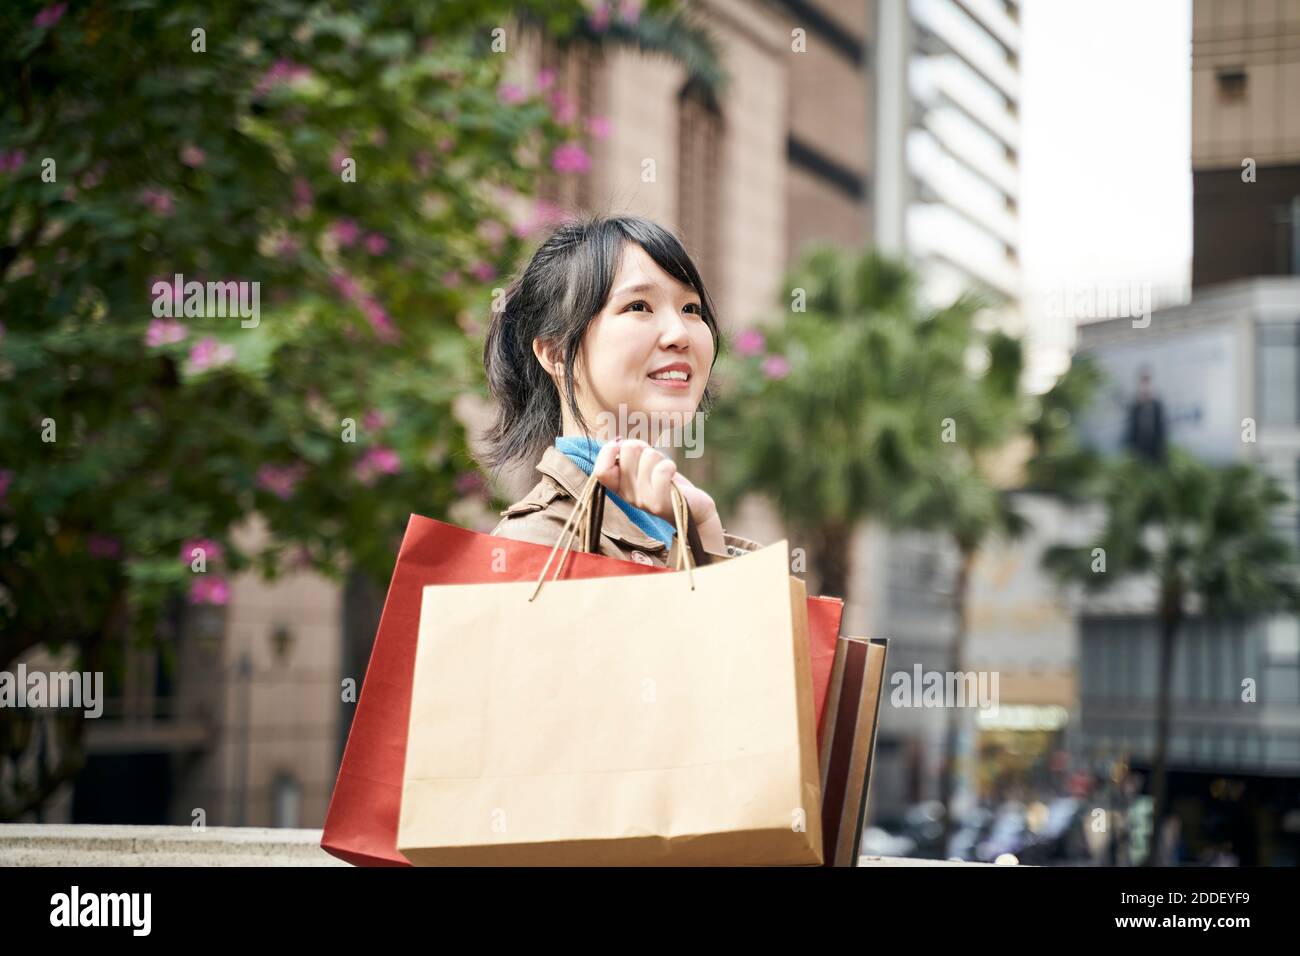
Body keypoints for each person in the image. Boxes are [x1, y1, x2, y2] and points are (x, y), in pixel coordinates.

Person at [481, 214, 761, 568]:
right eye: (639, 306)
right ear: (556, 353)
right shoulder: (536, 543)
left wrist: (704, 530)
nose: (680, 334)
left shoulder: (680, 519)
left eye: (691, 309)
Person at [1124, 367, 1166, 462]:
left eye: (1148, 379)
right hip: (1137, 456)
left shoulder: (1157, 405)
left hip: (1155, 456)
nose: (1146, 383)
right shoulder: (1135, 406)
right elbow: (1131, 432)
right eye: (1143, 379)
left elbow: (1162, 432)